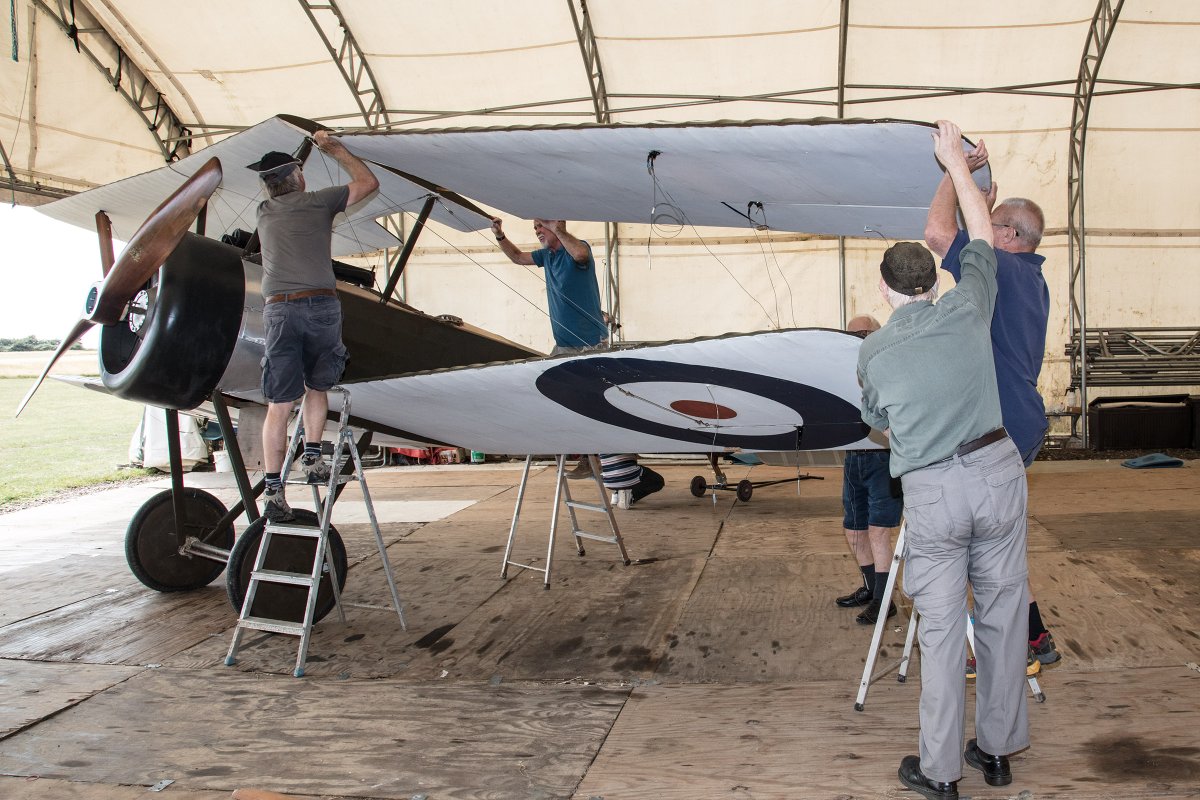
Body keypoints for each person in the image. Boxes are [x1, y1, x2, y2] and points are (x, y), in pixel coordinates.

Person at [859, 120, 1029, 800]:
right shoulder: (968, 309)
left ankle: (939, 774)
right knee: (1003, 615)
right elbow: (982, 234)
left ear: (886, 290)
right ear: (935, 279)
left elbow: (876, 423)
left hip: (933, 492)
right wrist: (959, 166)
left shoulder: (873, 351)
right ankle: (995, 750)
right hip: (998, 473)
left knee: (939, 630)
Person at [924, 141, 1059, 666]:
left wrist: (954, 176)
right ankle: (1033, 633)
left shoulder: (1000, 268)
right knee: (999, 540)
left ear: (1006, 237)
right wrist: (978, 205)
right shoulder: (1034, 280)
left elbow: (937, 233)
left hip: (994, 426)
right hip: (1021, 421)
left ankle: (991, 645)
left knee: (968, 541)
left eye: (991, 225)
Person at [249, 130, 379, 523]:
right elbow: (369, 183)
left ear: (269, 185)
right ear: (300, 177)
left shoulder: (263, 213)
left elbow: (279, 190)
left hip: (278, 310)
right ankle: (312, 459)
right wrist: (336, 149)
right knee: (317, 385)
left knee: (278, 403)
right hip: (320, 303)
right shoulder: (319, 202)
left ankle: (274, 491)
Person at [492, 217, 608, 479]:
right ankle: (573, 452)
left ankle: (593, 459)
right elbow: (518, 257)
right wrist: (500, 235)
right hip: (565, 345)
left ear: (556, 225)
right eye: (534, 228)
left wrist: (558, 229)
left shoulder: (577, 249)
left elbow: (579, 253)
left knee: (586, 401)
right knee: (546, 390)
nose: (536, 232)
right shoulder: (547, 256)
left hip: (590, 343)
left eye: (540, 227)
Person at [834, 314, 901, 625]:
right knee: (854, 529)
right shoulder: (841, 370)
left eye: (863, 333)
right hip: (854, 457)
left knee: (878, 531)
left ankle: (884, 601)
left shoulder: (892, 363)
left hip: (883, 457)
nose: (858, 339)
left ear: (877, 334)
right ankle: (872, 589)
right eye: (851, 335)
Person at [600, 454, 665, 509]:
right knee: (658, 481)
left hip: (608, 481)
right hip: (629, 477)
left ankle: (618, 495)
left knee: (624, 469)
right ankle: (630, 497)